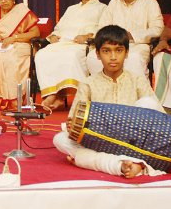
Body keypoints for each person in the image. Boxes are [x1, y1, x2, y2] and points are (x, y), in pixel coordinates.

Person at [54, 25, 165, 178]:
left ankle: (99, 161)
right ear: (98, 54)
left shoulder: (137, 80)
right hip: (100, 142)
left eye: (118, 50)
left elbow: (159, 115)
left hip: (133, 142)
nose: (113, 57)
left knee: (149, 103)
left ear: (126, 53)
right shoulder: (88, 83)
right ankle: (127, 164)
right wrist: (73, 125)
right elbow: (73, 120)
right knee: (60, 139)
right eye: (106, 51)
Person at [35, 0, 106, 111]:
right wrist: (54, 36)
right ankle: (52, 93)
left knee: (70, 55)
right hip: (62, 42)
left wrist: (86, 36)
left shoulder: (102, 8)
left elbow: (103, 29)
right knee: (41, 55)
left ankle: (60, 95)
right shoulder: (71, 8)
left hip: (82, 45)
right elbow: (58, 28)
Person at [88, 0, 163, 76]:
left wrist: (132, 36)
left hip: (137, 46)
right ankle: (105, 91)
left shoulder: (150, 3)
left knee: (133, 59)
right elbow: (102, 27)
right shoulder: (113, 3)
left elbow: (158, 29)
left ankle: (134, 92)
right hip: (112, 45)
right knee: (93, 57)